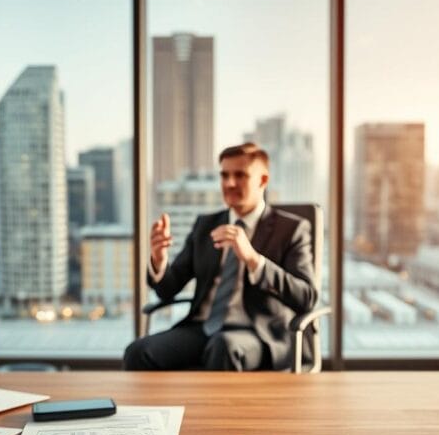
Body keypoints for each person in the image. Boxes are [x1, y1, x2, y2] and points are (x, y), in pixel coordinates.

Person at [123, 143, 318, 371]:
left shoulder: (292, 229)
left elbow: (306, 297)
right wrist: (158, 259)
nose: (229, 183)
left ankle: (212, 409)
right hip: (202, 327)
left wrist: (254, 260)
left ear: (263, 180)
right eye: (224, 175)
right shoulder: (206, 225)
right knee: (137, 352)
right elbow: (167, 289)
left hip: (260, 334)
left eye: (240, 175)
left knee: (223, 346)